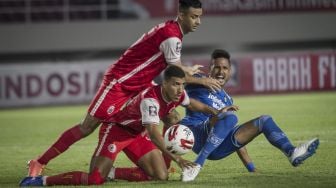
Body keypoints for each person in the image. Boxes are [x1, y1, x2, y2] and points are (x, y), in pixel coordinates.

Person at [26, 0, 222, 178]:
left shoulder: (173, 32)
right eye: (194, 17)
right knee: (87, 127)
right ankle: (39, 162)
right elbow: (177, 70)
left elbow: (174, 68)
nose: (198, 22)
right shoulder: (172, 37)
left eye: (199, 17)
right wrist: (203, 81)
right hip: (120, 82)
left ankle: (164, 164)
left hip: (140, 84)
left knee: (171, 116)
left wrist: (186, 70)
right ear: (181, 14)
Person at [19, 65, 227, 186]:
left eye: (181, 84)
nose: (179, 89)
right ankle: (42, 181)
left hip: (137, 134)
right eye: (174, 84)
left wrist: (216, 112)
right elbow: (155, 135)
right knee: (94, 179)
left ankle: (114, 172)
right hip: (116, 132)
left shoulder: (178, 93)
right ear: (164, 83)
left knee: (160, 175)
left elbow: (194, 104)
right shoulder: (150, 101)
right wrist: (178, 158)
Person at [180, 49, 320, 182]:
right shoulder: (198, 79)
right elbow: (174, 76)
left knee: (264, 120)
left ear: (230, 72)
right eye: (217, 67)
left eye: (225, 68)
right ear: (210, 68)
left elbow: (229, 134)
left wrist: (251, 168)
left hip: (216, 149)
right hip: (194, 134)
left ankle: (291, 152)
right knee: (230, 117)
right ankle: (197, 165)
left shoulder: (227, 100)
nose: (221, 71)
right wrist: (201, 81)